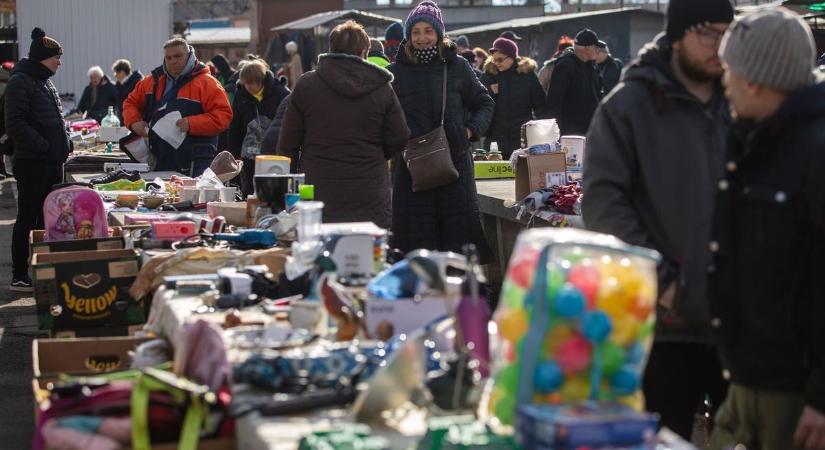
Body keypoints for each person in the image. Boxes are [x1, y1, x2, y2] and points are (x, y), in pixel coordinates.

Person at [581, 0, 734, 439]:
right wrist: (661, 282)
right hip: (661, 324)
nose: (720, 45)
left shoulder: (740, 97)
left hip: (735, 320)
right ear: (679, 33)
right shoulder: (631, 104)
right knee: (662, 437)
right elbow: (603, 202)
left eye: (728, 32)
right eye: (709, 32)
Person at [709, 8, 825, 450]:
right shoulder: (752, 138)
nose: (725, 83)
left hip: (798, 399)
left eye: (729, 71)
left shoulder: (815, 151)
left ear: (754, 79)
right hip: (747, 380)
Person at [389, 1, 494, 262]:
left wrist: (469, 131)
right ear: (408, 36)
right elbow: (384, 116)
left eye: (428, 31)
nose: (422, 37)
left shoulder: (456, 66)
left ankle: (461, 300)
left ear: (439, 34)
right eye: (416, 32)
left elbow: (485, 102)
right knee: (415, 248)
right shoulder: (395, 72)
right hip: (411, 170)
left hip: (454, 166)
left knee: (457, 245)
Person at [278, 20, 409, 229]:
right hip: (370, 189)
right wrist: (373, 154)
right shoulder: (381, 87)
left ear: (331, 48)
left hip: (318, 189)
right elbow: (400, 136)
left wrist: (284, 188)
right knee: (368, 255)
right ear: (365, 51)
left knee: (319, 255)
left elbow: (288, 144)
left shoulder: (307, 85)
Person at [6, 28, 71, 292]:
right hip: (33, 163)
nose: (59, 61)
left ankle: (43, 271)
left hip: (51, 163)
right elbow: (16, 124)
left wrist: (67, 140)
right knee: (27, 217)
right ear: (43, 57)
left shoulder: (44, 81)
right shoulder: (20, 81)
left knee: (48, 219)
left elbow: (57, 119)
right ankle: (19, 275)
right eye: (56, 57)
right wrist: (46, 147)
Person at [123, 37, 232, 176]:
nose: (173, 61)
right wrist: (134, 123)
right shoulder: (151, 81)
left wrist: (191, 124)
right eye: (168, 58)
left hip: (196, 161)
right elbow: (130, 103)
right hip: (158, 158)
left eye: (178, 56)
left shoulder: (207, 83)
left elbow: (224, 116)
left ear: (189, 55)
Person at [228, 58, 289, 197]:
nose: (247, 87)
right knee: (249, 193)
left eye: (250, 83)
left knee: (273, 193)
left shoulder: (282, 94)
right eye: (245, 83)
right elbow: (235, 127)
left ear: (259, 80)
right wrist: (235, 154)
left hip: (274, 156)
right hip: (247, 157)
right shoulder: (241, 95)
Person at [480, 37, 545, 159]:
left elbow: (540, 106)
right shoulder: (489, 76)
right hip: (494, 144)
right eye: (494, 60)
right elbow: (480, 104)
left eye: (500, 59)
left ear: (512, 57)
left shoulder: (528, 76)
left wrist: (545, 133)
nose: (497, 63)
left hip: (522, 142)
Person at [545, 28, 601, 136]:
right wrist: (557, 132)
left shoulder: (592, 67)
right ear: (586, 48)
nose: (598, 50)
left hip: (590, 130)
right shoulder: (566, 65)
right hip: (570, 132)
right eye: (595, 47)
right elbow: (554, 101)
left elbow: (597, 96)